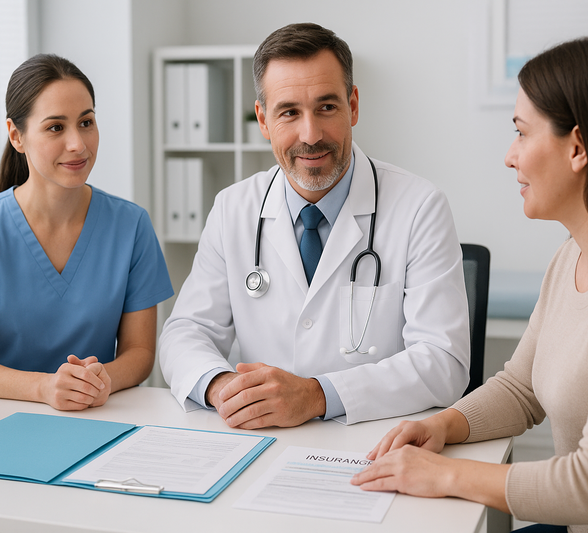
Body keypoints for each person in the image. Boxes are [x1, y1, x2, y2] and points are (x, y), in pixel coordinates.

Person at [351, 36, 588, 532]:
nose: (509, 156)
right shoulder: (572, 254)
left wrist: (444, 475)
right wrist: (441, 425)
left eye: (522, 133)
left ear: (578, 147)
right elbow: (521, 388)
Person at [159, 23, 470, 429]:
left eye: (327, 107)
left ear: (353, 106)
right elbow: (186, 331)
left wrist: (316, 395)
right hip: (259, 439)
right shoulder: (233, 208)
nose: (311, 135)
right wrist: (222, 387)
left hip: (370, 444)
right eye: (289, 112)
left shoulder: (419, 207)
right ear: (263, 120)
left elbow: (444, 361)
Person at [0, 54, 174, 411]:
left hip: (96, 416)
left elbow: (139, 353)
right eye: (55, 127)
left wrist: (101, 382)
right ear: (16, 136)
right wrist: (44, 388)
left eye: (86, 122)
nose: (78, 144)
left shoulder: (131, 226)